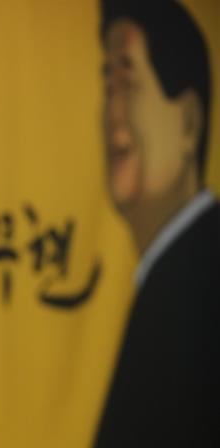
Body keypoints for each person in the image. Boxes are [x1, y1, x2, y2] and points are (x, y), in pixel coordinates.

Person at [96, 1, 219, 446]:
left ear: (189, 121)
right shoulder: (164, 278)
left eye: (127, 84)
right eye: (107, 86)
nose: (113, 114)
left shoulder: (201, 279)